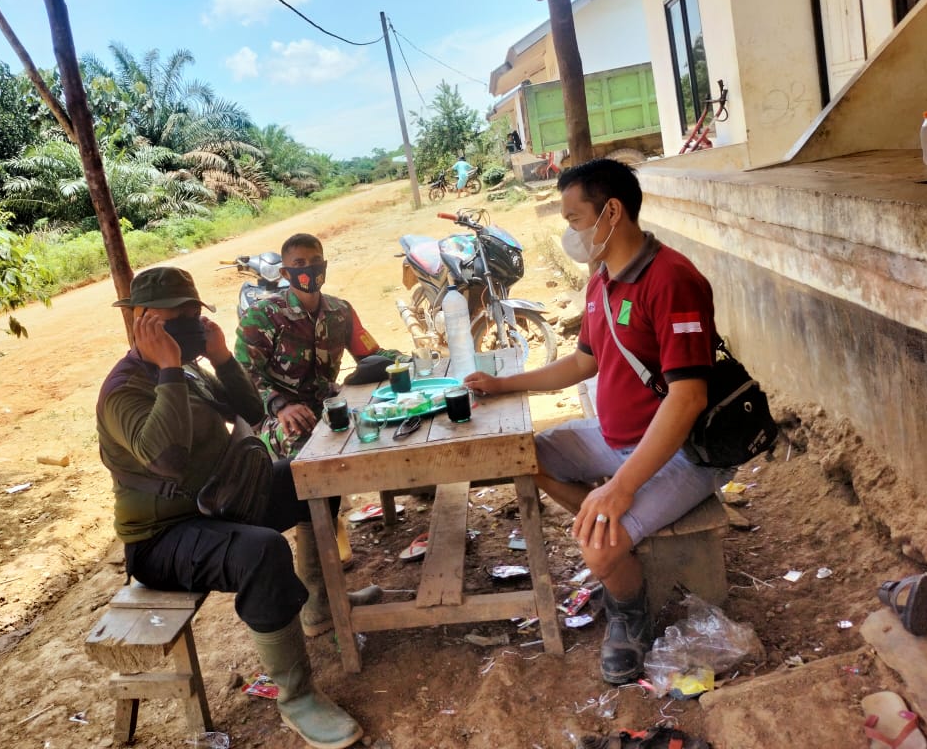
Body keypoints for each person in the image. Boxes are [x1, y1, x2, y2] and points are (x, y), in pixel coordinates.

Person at [463, 158, 731, 685]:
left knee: (596, 547)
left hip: (682, 452)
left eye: (574, 219)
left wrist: (621, 487)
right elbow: (583, 363)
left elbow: (688, 398)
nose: (570, 232)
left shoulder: (672, 279)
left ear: (611, 211)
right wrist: (503, 384)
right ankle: (610, 530)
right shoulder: (601, 282)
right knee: (526, 455)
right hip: (616, 439)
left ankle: (631, 613)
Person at [96, 266, 365, 749]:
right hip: (163, 538)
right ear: (141, 321)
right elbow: (166, 459)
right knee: (260, 552)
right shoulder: (124, 389)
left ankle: (319, 606)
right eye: (175, 318)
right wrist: (169, 369)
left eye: (193, 314)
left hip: (219, 501)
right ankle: (297, 698)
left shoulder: (187, 369)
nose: (188, 325)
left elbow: (253, 411)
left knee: (313, 478)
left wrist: (220, 357)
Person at [235, 233, 400, 462]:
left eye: (315, 261)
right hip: (276, 417)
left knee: (385, 416)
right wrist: (280, 406)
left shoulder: (340, 310)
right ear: (285, 273)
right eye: (299, 263)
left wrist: (407, 361)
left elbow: (371, 354)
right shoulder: (263, 315)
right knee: (302, 442)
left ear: (324, 265)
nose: (309, 268)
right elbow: (242, 377)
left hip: (328, 404)